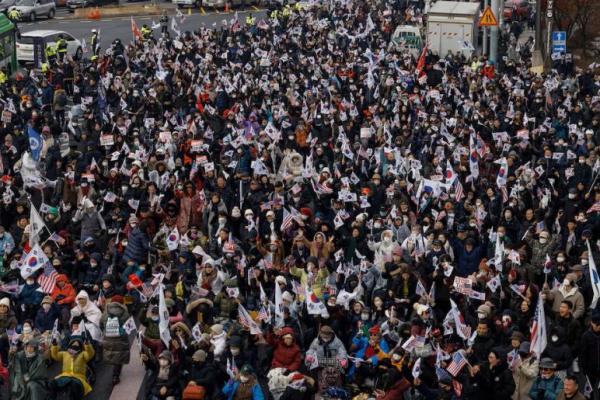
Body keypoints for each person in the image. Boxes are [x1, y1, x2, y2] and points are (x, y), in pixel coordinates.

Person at [100, 295, 130, 384]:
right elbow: (128, 325)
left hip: (108, 337)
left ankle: (111, 365)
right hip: (120, 338)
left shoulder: (106, 311)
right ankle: (115, 376)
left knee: (110, 352)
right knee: (119, 356)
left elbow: (101, 323)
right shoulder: (125, 312)